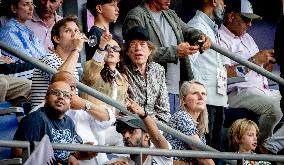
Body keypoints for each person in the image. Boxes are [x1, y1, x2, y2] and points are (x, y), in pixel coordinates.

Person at [123, 0, 212, 114]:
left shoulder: (169, 13)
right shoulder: (136, 16)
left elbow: (187, 30)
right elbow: (135, 54)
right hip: (152, 91)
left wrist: (201, 36)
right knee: (159, 130)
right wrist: (175, 52)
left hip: (177, 90)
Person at [219, 0, 283, 144]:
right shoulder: (220, 38)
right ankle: (261, 145)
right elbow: (226, 74)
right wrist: (254, 61)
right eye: (246, 20)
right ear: (231, 17)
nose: (250, 24)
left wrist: (266, 62)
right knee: (276, 107)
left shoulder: (247, 37)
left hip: (261, 90)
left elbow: (259, 70)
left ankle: (268, 146)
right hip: (236, 92)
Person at [51, 71, 116, 165]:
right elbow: (40, 151)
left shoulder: (82, 107)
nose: (69, 92)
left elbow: (109, 119)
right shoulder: (41, 114)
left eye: (72, 88)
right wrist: (74, 154)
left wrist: (85, 105)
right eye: (64, 87)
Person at [187, 0, 227, 151]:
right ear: (214, 1)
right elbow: (189, 61)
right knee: (206, 147)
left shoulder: (212, 27)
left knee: (214, 147)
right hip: (204, 98)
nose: (225, 6)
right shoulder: (197, 25)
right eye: (223, 1)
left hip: (217, 95)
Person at [13, 81, 82, 165]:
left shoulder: (69, 122)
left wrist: (72, 156)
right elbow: (18, 151)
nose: (61, 97)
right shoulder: (35, 119)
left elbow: (71, 147)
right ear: (45, 98)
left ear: (70, 103)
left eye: (66, 95)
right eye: (56, 93)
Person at [31, 15, 87, 108]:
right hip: (45, 116)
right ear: (57, 38)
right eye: (68, 31)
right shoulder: (47, 59)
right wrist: (76, 49)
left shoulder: (72, 65)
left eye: (76, 31)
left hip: (63, 115)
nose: (74, 35)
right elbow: (63, 80)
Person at [123, 26, 171, 122]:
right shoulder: (123, 71)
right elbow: (125, 109)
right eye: (133, 44)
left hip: (156, 124)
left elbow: (164, 110)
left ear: (150, 50)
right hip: (133, 122)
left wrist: (156, 128)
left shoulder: (158, 70)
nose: (138, 48)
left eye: (142, 44)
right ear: (128, 52)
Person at [105, 99, 172, 165]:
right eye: (123, 133)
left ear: (147, 136)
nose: (126, 136)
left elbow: (157, 138)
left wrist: (143, 114)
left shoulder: (158, 154)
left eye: (131, 131)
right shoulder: (121, 161)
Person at [165, 81, 214, 165]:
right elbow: (205, 160)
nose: (201, 97)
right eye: (195, 93)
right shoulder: (182, 117)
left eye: (203, 94)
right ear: (183, 100)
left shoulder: (198, 124)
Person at [0, 0, 46, 79]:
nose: (31, 8)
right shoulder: (9, 30)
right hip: (27, 74)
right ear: (14, 8)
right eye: (26, 4)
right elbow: (24, 59)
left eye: (32, 4)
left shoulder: (27, 30)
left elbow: (42, 54)